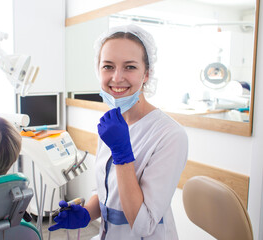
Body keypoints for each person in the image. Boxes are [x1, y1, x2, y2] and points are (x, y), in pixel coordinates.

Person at [49, 24, 188, 239]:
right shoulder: (111, 123)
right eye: (108, 66)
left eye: (130, 67)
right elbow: (107, 192)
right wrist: (87, 213)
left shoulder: (169, 135)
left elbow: (143, 226)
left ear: (146, 74)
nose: (116, 77)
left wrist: (123, 154)